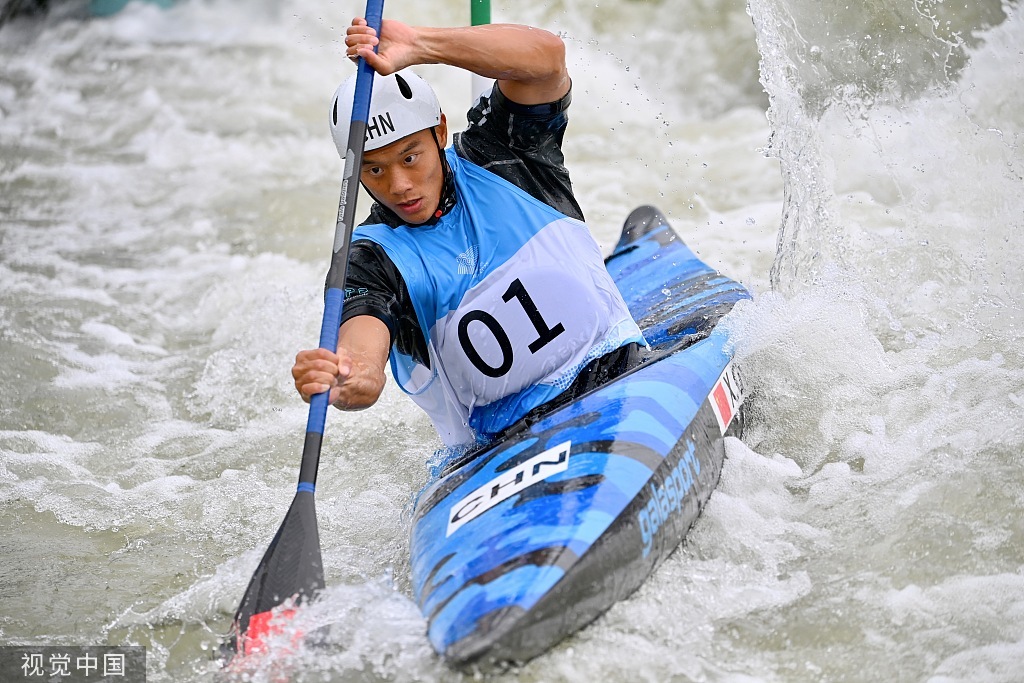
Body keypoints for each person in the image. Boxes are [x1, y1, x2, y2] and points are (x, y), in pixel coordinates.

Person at [291, 15, 645, 449]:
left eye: (409, 157)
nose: (398, 185)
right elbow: (363, 357)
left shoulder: (503, 153)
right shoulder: (371, 260)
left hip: (623, 373)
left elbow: (548, 59)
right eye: (374, 169)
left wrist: (421, 43)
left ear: (439, 130)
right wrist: (347, 377)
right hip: (503, 447)